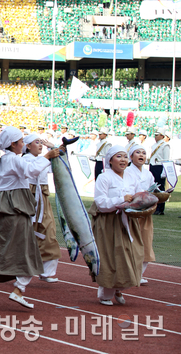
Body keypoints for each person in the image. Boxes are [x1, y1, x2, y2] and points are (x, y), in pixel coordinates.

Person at [0, 127, 60, 310]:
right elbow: (31, 171)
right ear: (13, 144)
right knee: (28, 250)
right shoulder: (15, 159)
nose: (23, 144)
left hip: (0, 204)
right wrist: (47, 157)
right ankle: (19, 290)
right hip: (15, 206)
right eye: (21, 142)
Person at [89, 145, 143, 306]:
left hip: (128, 221)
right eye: (119, 157)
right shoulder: (104, 178)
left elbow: (139, 195)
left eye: (125, 157)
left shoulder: (131, 177)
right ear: (110, 160)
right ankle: (106, 293)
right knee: (110, 257)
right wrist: (122, 199)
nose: (123, 160)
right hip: (108, 222)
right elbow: (101, 203)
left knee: (132, 255)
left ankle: (119, 287)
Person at [23, 134, 60, 283]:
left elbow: (59, 164)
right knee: (27, 232)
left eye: (41, 143)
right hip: (30, 197)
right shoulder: (25, 160)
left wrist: (53, 147)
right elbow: (34, 169)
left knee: (49, 231)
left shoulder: (43, 158)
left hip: (42, 196)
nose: (40, 145)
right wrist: (47, 155)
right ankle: (21, 268)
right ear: (27, 146)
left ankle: (46, 271)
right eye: (36, 142)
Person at [124, 143, 155, 285]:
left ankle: (140, 273)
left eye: (143, 152)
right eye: (138, 152)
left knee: (146, 241)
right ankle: (129, 272)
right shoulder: (127, 172)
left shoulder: (148, 173)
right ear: (131, 156)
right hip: (132, 213)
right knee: (132, 241)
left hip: (146, 212)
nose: (141, 155)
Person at [149, 127, 170, 215]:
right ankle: (154, 206)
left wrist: (164, 172)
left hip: (160, 167)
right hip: (153, 166)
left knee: (160, 189)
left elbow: (166, 159)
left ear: (162, 136)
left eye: (157, 135)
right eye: (155, 135)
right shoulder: (154, 145)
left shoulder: (165, 145)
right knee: (153, 188)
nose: (155, 137)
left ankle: (160, 208)